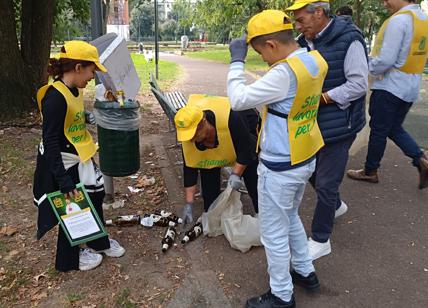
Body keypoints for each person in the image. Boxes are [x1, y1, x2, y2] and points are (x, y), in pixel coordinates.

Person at [228, 9, 328, 308]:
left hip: (280, 164)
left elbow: (238, 100)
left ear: (271, 44)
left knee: (273, 233)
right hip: (304, 155)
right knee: (291, 216)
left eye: (260, 51)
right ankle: (305, 270)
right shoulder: (313, 58)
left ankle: (282, 295)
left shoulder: (284, 73)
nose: (262, 58)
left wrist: (236, 61)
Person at [286, 0, 368, 260]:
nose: (298, 26)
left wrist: (321, 99)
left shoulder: (350, 39)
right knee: (310, 170)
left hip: (341, 124)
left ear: (319, 13)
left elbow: (358, 85)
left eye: (301, 20)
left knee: (325, 181)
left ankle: (321, 240)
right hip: (313, 122)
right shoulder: (304, 42)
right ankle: (336, 205)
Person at [33, 41, 125, 272]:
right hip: (63, 160)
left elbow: (70, 113)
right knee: (72, 204)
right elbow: (50, 141)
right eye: (92, 70)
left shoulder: (76, 88)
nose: (93, 77)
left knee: (96, 194)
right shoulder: (54, 97)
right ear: (77, 68)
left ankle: (98, 241)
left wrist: (83, 116)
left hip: (80, 153)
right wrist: (63, 180)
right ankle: (69, 259)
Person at [347, 0, 428, 189]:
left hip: (390, 85)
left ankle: (370, 171)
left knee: (378, 130)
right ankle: (420, 160)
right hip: (410, 85)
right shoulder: (423, 19)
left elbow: (386, 59)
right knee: (393, 127)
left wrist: (365, 67)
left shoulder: (398, 21)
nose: (385, 3)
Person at [174, 95, 259, 225]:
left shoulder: (233, 118)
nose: (192, 139)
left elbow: (246, 151)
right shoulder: (189, 136)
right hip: (215, 143)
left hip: (245, 127)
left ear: (203, 121)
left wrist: (236, 174)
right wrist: (189, 203)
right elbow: (190, 168)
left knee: (251, 171)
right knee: (210, 206)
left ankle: (261, 211)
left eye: (195, 134)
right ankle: (215, 213)